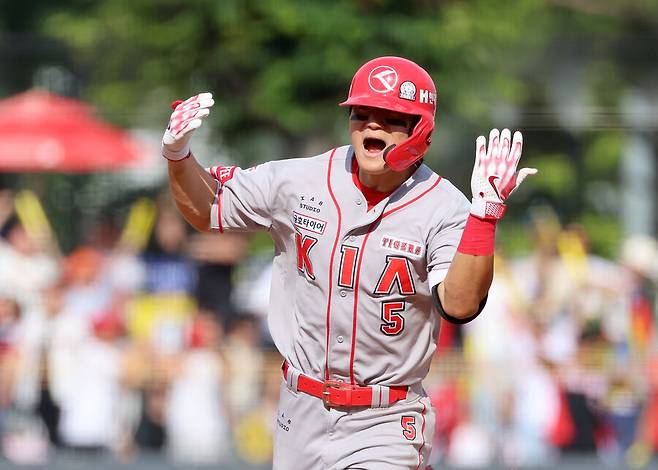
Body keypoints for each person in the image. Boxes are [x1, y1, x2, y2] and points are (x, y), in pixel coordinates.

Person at [161, 56, 537, 470]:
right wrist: (179, 157)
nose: (372, 125)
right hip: (299, 410)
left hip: (386, 417)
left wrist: (483, 217)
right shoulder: (300, 179)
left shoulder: (444, 208)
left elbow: (461, 304)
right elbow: (210, 209)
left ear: (421, 130)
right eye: (362, 113)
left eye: (391, 116)